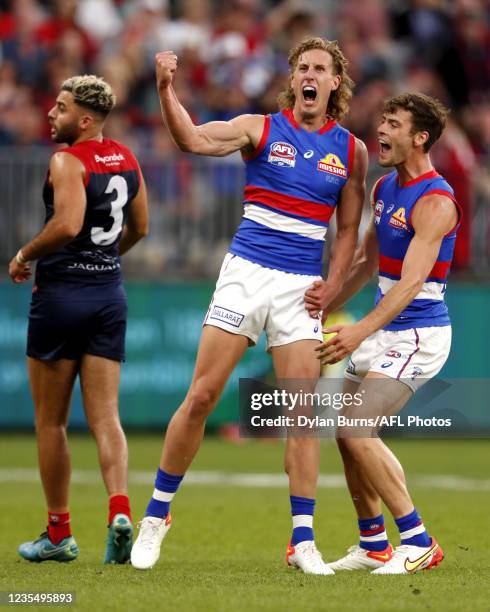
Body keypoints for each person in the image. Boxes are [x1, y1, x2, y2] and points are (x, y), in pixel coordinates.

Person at [130, 36, 367, 574]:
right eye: (301, 67)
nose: (309, 75)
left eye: (320, 69)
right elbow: (191, 139)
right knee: (203, 395)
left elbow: (349, 230)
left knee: (302, 415)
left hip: (300, 287)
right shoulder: (260, 128)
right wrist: (168, 91)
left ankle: (302, 540)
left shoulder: (351, 150)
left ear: (335, 83)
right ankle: (156, 516)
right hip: (247, 274)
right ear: (293, 79)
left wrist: (332, 286)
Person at [316, 92, 460, 574]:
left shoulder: (436, 201)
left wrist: (357, 332)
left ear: (420, 137)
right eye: (382, 120)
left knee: (356, 427)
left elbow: (412, 283)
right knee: (347, 433)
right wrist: (325, 308)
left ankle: (418, 541)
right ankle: (373, 543)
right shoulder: (383, 189)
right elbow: (366, 263)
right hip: (383, 329)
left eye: (393, 124)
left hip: (418, 334)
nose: (380, 130)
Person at [9, 75, 149, 564]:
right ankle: (119, 510)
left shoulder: (67, 160)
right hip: (109, 295)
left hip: (62, 296)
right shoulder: (128, 159)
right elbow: (141, 227)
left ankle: (59, 534)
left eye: (61, 107)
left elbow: (67, 224)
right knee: (106, 416)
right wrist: (106, 258)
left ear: (85, 120)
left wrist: (25, 253)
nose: (51, 113)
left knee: (51, 423)